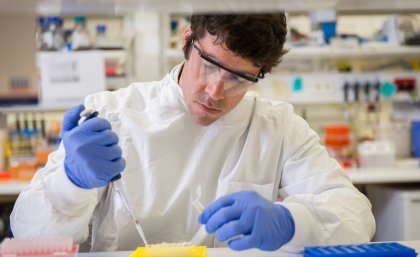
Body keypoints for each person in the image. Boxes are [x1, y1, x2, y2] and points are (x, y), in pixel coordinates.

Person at [11, 13, 375, 252]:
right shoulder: (109, 113)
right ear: (187, 40)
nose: (215, 92)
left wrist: (292, 222)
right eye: (210, 65)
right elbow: (28, 236)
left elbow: (357, 218)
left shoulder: (277, 126)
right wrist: (71, 183)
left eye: (239, 78)